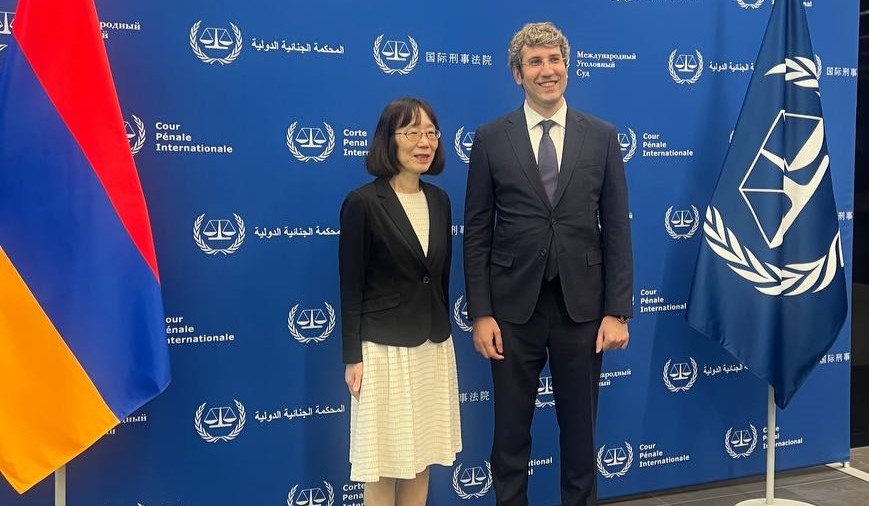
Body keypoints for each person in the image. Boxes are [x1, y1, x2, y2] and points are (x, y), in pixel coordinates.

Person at [463, 22, 633, 506]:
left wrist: (618, 311)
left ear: (567, 66)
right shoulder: (491, 138)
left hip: (584, 311)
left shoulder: (601, 136)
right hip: (512, 312)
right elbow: (477, 232)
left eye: (554, 59)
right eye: (534, 62)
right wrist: (481, 314)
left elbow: (616, 228)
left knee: (580, 437)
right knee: (509, 436)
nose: (547, 70)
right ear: (517, 73)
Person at [339, 97, 462, 506]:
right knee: (383, 464)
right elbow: (350, 286)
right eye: (411, 132)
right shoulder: (362, 203)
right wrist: (353, 356)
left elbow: (439, 280)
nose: (423, 142)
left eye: (430, 132)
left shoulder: (440, 200)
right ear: (388, 140)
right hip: (383, 351)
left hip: (432, 346)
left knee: (422, 458)